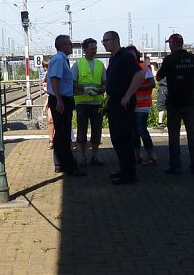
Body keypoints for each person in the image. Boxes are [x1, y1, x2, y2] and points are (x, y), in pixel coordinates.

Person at [156, 33, 194, 175]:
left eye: (169, 43)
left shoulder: (169, 59)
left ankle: (175, 165)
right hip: (190, 102)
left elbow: (158, 77)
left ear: (173, 44)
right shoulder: (192, 58)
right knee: (192, 135)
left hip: (174, 103)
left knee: (174, 136)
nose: (169, 45)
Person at [102, 31, 145, 185]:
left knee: (124, 138)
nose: (104, 43)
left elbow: (139, 75)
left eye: (106, 40)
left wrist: (127, 95)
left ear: (115, 40)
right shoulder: (113, 58)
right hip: (114, 101)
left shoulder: (125, 56)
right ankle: (124, 168)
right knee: (116, 138)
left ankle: (129, 173)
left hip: (122, 102)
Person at [46, 35, 85, 177]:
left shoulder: (61, 59)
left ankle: (60, 164)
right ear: (62, 45)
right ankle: (70, 166)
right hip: (61, 99)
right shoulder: (59, 60)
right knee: (64, 133)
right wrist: (59, 100)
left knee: (61, 133)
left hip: (63, 98)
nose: (71, 46)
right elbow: (54, 79)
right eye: (69, 44)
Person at [71, 38, 106, 167]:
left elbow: (105, 81)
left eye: (95, 48)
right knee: (82, 130)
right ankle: (83, 156)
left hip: (97, 102)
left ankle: (95, 156)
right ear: (84, 50)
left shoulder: (100, 64)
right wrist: (84, 90)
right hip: (82, 103)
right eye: (92, 49)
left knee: (97, 130)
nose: (94, 51)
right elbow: (72, 82)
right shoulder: (78, 64)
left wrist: (103, 88)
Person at [126, 46, 157, 166]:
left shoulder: (144, 67)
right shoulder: (126, 69)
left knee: (141, 129)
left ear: (137, 55)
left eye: (133, 54)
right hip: (131, 105)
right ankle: (137, 155)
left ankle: (151, 155)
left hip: (143, 104)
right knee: (134, 131)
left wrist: (135, 87)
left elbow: (152, 84)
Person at [40, 57, 54, 149]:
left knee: (56, 121)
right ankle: (51, 139)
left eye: (47, 66)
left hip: (54, 98)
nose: (46, 69)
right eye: (45, 67)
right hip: (50, 99)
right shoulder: (46, 75)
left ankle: (56, 139)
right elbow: (43, 84)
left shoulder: (54, 73)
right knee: (50, 120)